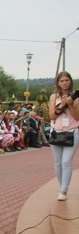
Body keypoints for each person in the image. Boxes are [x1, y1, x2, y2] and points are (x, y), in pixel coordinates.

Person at [48, 71, 79, 201]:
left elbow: (77, 117)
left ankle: (64, 191)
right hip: (56, 131)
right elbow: (51, 115)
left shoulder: (76, 97)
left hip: (72, 131)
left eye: (67, 80)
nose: (64, 83)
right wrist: (62, 104)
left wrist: (70, 103)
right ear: (58, 83)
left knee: (66, 161)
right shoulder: (54, 97)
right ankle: (62, 187)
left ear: (70, 81)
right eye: (62, 81)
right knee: (57, 162)